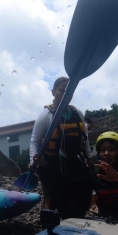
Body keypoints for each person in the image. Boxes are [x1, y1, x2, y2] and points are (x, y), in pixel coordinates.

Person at [30, 76, 93, 219]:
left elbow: (85, 138)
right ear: (53, 92)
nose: (65, 95)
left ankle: (76, 221)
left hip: (71, 161)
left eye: (68, 92)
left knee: (80, 191)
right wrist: (32, 161)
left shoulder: (78, 113)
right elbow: (34, 141)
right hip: (50, 163)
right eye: (61, 91)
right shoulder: (46, 115)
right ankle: (48, 231)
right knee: (50, 198)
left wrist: (89, 158)